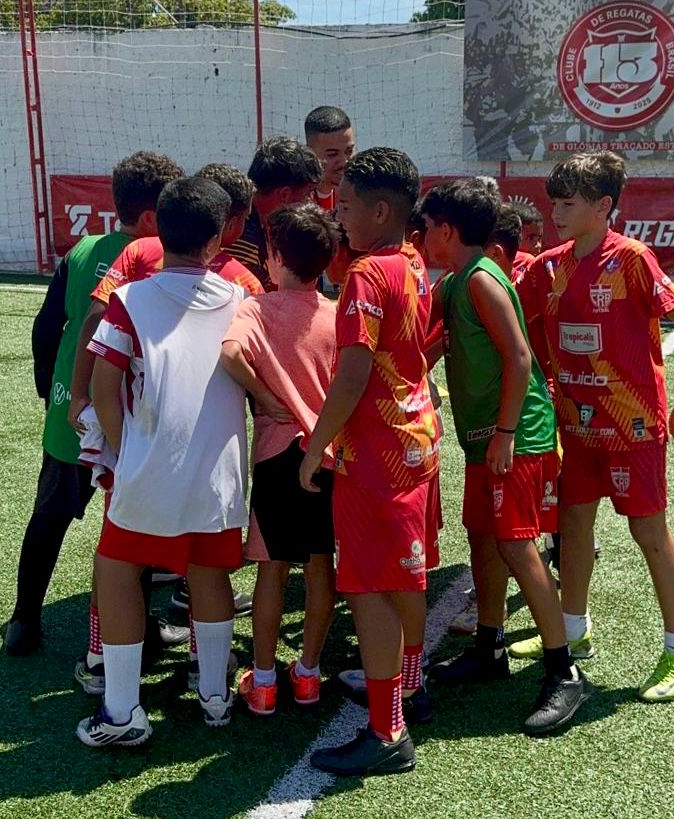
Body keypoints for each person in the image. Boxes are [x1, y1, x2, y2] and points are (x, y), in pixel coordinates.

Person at [509, 151, 674, 703]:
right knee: (573, 526)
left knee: (648, 532)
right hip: (577, 428)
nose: (555, 213)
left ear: (603, 207)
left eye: (567, 204)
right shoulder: (549, 264)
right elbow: (522, 325)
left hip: (634, 427)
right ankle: (573, 631)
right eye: (552, 203)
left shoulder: (634, 259)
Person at [70, 164, 258, 693]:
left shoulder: (131, 291)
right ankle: (215, 694)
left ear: (155, 228)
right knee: (209, 571)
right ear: (220, 235)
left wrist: (123, 442)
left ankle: (117, 696)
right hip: (218, 469)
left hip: (148, 461)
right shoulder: (243, 295)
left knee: (117, 566)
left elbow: (102, 369)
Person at [420, 180, 590, 734]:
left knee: (517, 545)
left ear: (445, 232)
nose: (420, 239)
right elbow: (430, 344)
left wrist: (506, 433)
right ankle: (490, 646)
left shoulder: (482, 281)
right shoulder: (457, 281)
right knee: (484, 538)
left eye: (425, 229)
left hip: (517, 437)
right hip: (485, 438)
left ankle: (563, 673)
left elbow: (520, 359)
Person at [0, 151, 182, 656]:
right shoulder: (157, 257)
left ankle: (23, 620)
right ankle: (139, 633)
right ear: (151, 218)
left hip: (69, 411)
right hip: (124, 416)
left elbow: (45, 327)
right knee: (130, 529)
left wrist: (52, 391)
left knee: (48, 517)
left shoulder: (80, 253)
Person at [299, 147, 439, 777]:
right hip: (415, 442)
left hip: (377, 455)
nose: (338, 214)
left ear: (380, 210)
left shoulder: (366, 273)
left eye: (347, 205)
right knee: (401, 578)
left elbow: (352, 375)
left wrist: (315, 445)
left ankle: (386, 732)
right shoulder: (413, 261)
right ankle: (406, 688)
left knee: (368, 590)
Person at [220, 204, 340, 716]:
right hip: (328, 456)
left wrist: (264, 397)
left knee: (271, 569)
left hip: (275, 455)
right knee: (320, 567)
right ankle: (309, 675)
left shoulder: (256, 308)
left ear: (273, 256)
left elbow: (228, 355)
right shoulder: (336, 314)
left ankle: (264, 681)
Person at [229, 136, 322, 292]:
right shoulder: (242, 240)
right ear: (285, 194)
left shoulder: (262, 221)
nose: (310, 202)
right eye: (307, 194)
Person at [304, 105, 355, 211]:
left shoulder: (357, 195)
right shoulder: (297, 201)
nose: (344, 162)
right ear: (309, 153)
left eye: (349, 152)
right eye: (332, 154)